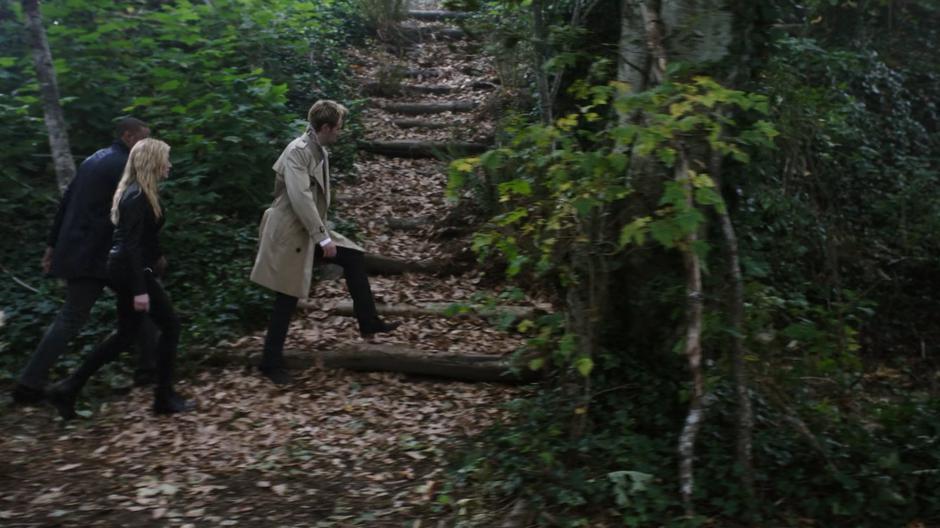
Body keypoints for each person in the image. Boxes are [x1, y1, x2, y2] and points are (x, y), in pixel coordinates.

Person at [11, 118, 159, 405]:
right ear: (128, 137)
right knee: (74, 317)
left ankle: (148, 369)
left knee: (140, 304)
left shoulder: (95, 159)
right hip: (97, 254)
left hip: (83, 249)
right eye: (144, 139)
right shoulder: (124, 166)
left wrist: (52, 245)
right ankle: (28, 386)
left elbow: (67, 202)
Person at [250, 100, 398, 385]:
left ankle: (368, 322)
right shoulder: (298, 151)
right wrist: (323, 237)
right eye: (338, 128)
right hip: (290, 232)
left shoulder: (320, 151)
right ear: (326, 127)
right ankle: (270, 363)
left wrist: (322, 235)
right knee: (286, 297)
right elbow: (300, 197)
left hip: (307, 229)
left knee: (354, 257)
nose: (340, 133)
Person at [46, 138, 193, 418]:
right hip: (128, 270)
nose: (170, 164)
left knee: (126, 335)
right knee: (171, 326)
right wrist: (140, 289)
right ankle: (163, 398)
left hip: (126, 269)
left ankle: (67, 389)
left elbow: (145, 238)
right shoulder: (137, 196)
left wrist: (157, 259)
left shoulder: (141, 193)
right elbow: (132, 246)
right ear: (152, 162)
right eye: (166, 159)